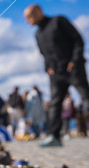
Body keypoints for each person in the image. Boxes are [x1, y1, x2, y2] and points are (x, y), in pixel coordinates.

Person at [24, 4, 89, 147]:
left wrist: (74, 60)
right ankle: (54, 136)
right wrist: (47, 68)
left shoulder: (58, 21)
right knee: (55, 103)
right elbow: (44, 53)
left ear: (38, 12)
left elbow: (78, 40)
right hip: (56, 73)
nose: (28, 21)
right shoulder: (38, 34)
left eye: (29, 17)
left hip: (73, 68)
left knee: (86, 97)